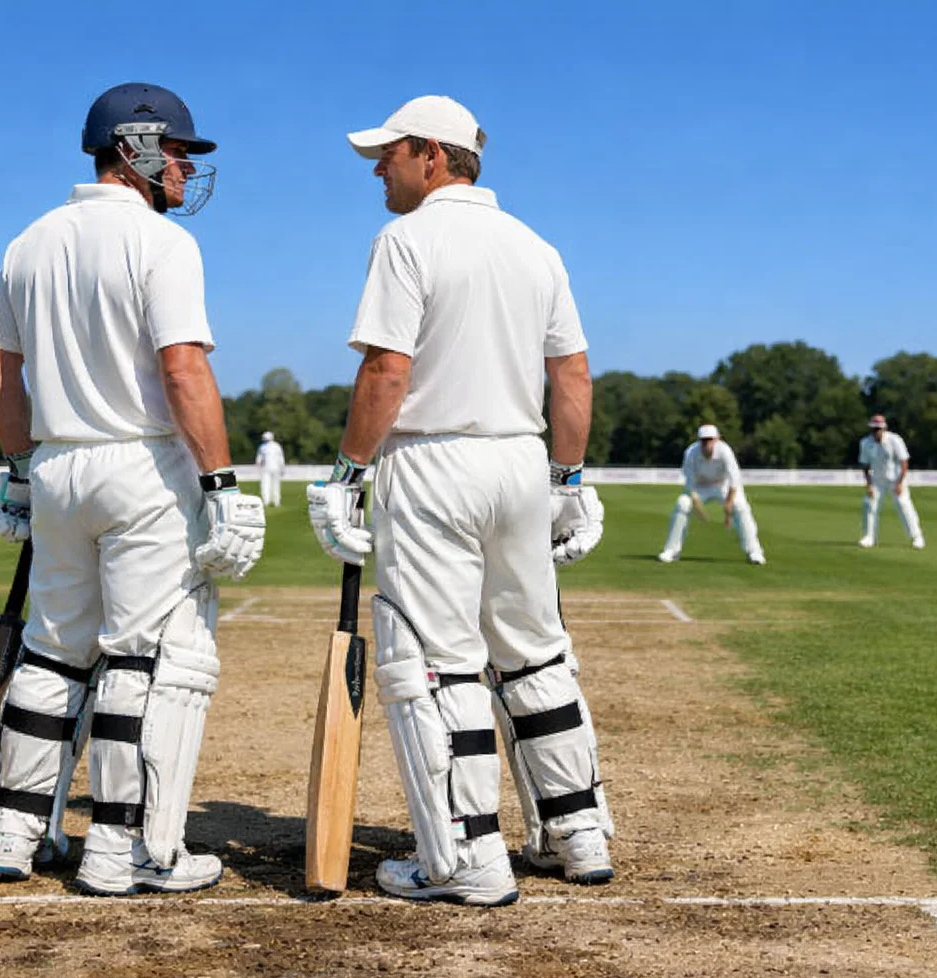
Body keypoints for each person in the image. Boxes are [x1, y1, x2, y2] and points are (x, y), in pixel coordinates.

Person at [307, 95, 614, 907]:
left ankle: (466, 860)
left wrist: (346, 473)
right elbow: (572, 377)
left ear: (432, 156)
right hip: (519, 460)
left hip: (431, 459)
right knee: (533, 648)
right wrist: (569, 481)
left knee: (438, 662)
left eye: (390, 154)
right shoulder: (536, 247)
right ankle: (575, 834)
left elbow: (386, 372)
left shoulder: (406, 240)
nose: (379, 168)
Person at [0, 82, 266, 896]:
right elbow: (183, 367)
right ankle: (120, 849)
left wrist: (23, 467)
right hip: (142, 466)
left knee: (54, 646)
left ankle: (14, 829)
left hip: (61, 464)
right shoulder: (160, 244)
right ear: (134, 147)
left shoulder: (29, 241)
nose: (184, 168)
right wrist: (222, 484)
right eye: (177, 151)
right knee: (141, 658)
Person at [657, 424, 765, 565]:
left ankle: (754, 552)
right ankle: (671, 551)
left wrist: (728, 503)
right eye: (704, 440)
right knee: (682, 504)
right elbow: (689, 482)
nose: (707, 443)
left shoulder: (725, 451)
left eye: (710, 439)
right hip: (700, 487)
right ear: (699, 440)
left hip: (723, 485)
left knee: (740, 506)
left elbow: (735, 478)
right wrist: (697, 506)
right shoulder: (691, 452)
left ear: (717, 439)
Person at [858, 414, 925, 549]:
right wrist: (869, 485)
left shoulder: (895, 440)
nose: (876, 432)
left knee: (903, 504)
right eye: (874, 429)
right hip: (877, 480)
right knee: (869, 504)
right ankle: (869, 537)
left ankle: (917, 537)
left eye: (878, 429)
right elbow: (865, 466)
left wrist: (900, 483)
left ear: (884, 428)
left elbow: (904, 461)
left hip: (895, 478)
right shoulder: (865, 443)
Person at [255, 430, 285, 507]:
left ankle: (267, 501)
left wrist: (258, 466)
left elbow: (258, 459)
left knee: (266, 485)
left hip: (267, 468)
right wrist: (282, 468)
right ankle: (275, 502)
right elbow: (281, 458)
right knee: (274, 485)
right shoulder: (276, 446)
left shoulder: (262, 446)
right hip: (274, 468)